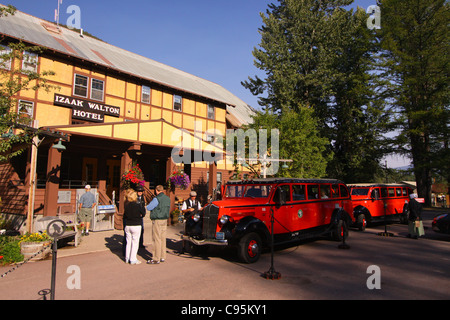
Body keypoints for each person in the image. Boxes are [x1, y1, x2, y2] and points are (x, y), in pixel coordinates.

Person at [146, 185, 170, 264]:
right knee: (163, 238)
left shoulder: (157, 199)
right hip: (164, 219)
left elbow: (149, 207)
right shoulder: (167, 198)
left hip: (157, 219)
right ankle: (163, 256)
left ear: (156, 190)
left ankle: (156, 257)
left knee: (156, 238)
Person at [123, 189, 146, 264]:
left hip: (128, 224)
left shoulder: (126, 205)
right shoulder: (137, 205)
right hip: (136, 224)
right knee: (135, 242)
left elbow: (125, 215)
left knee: (128, 242)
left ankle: (127, 258)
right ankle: (133, 259)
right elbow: (143, 213)